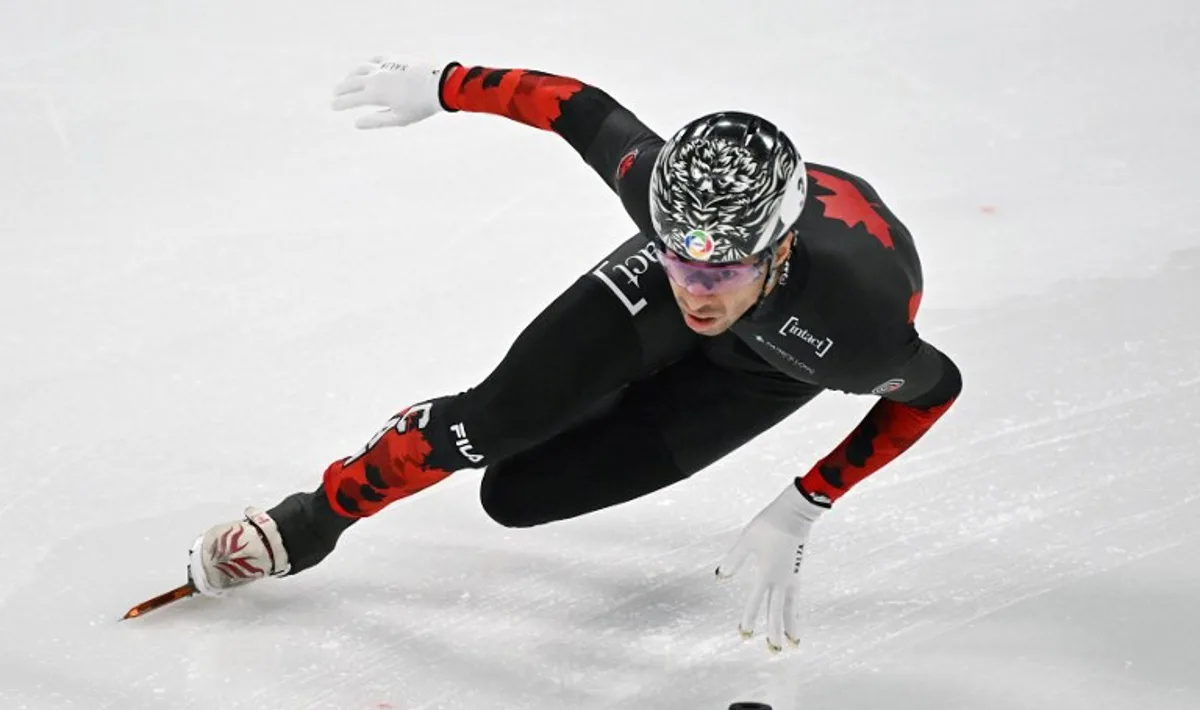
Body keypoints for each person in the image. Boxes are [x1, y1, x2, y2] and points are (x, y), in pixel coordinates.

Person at [187, 55, 962, 653]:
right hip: (681, 294)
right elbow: (577, 108)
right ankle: (309, 523)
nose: (697, 291)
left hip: (766, 368)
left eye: (720, 271)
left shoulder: (854, 333)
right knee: (490, 426)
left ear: (778, 248)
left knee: (517, 496)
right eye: (678, 259)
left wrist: (806, 502)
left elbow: (932, 390)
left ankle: (599, 390)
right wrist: (447, 83)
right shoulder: (671, 206)